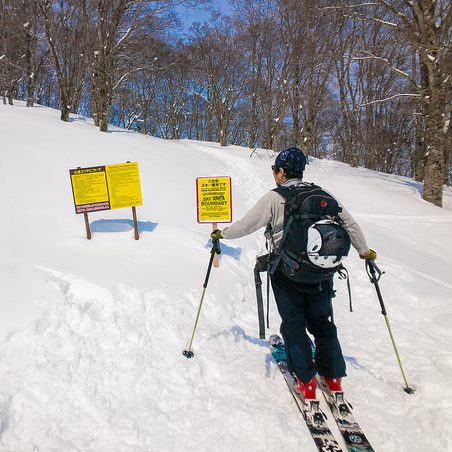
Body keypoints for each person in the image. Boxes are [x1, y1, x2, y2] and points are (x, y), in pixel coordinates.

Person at [211, 147, 376, 399]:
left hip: (288, 275)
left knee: (294, 324)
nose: (274, 174)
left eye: (275, 170)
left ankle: (306, 381)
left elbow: (247, 224)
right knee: (322, 323)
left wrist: (222, 234)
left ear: (281, 172)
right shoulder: (322, 195)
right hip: (322, 273)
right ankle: (332, 378)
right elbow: (350, 224)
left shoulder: (276, 197)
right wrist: (365, 252)